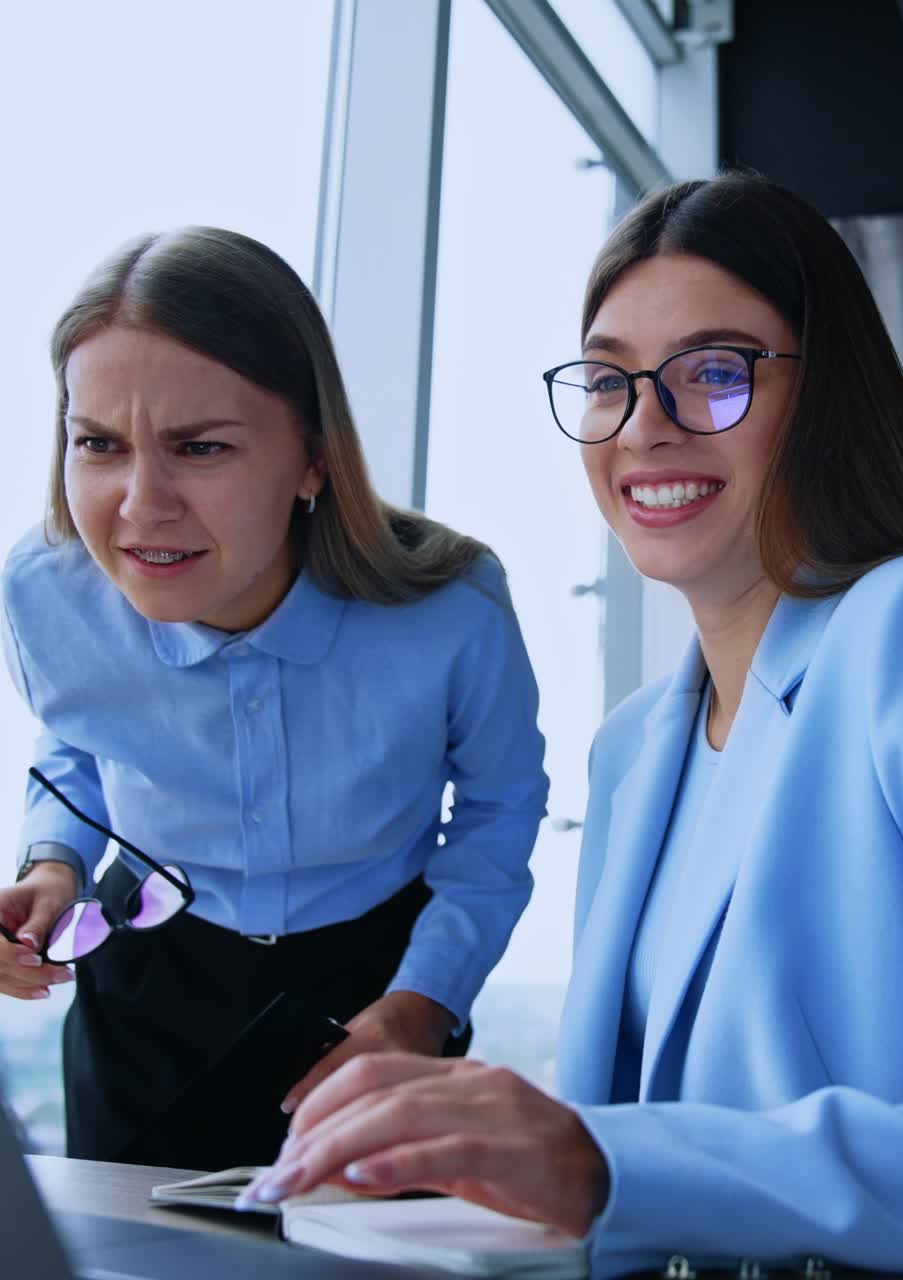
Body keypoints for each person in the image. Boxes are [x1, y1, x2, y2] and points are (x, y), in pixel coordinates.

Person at [237, 175, 903, 1274]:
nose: (645, 427)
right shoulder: (631, 752)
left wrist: (604, 1164)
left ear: (825, 396)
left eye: (713, 373)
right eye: (610, 380)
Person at [0, 227, 548, 1169]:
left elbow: (501, 809)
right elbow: (81, 747)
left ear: (314, 459)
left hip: (379, 990)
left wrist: (428, 998)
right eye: (97, 444)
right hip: (144, 992)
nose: (139, 503)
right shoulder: (42, 591)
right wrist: (53, 868)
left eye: (199, 448)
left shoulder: (453, 609)